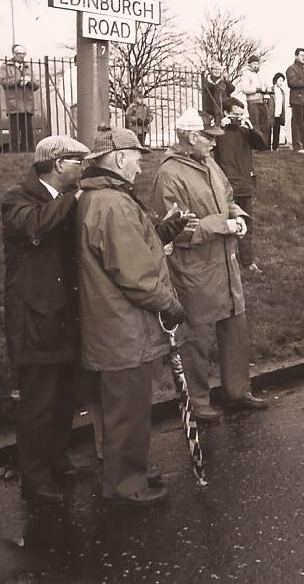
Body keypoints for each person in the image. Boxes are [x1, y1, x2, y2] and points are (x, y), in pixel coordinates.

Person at [76, 126, 186, 507]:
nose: (140, 166)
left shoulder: (97, 198)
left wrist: (159, 232)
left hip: (110, 327)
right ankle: (126, 483)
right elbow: (135, 274)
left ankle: (124, 471)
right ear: (120, 158)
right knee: (128, 411)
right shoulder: (113, 203)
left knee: (114, 410)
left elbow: (126, 251)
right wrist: (169, 304)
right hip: (123, 330)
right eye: (136, 158)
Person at [152, 108, 269, 423]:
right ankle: (198, 402)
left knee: (235, 331)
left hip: (226, 266)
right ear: (191, 138)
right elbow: (179, 231)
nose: (215, 144)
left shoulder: (210, 164)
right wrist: (224, 225)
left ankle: (237, 391)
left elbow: (229, 197)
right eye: (210, 138)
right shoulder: (170, 174)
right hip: (195, 270)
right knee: (196, 341)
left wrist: (238, 216)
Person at [2, 135, 90, 503]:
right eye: (77, 162)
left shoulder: (64, 201)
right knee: (38, 402)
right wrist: (74, 199)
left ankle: (56, 458)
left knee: (65, 396)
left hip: (63, 315)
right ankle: (34, 479)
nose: (82, 169)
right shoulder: (17, 199)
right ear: (57, 165)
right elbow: (35, 226)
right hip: (34, 318)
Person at [213, 100, 267, 273]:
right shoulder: (219, 132)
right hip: (225, 185)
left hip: (244, 183)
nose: (238, 118)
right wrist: (220, 127)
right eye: (234, 114)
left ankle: (247, 261)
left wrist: (251, 127)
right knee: (223, 225)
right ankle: (223, 262)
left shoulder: (245, 131)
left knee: (246, 224)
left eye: (240, 114)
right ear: (227, 113)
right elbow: (208, 147)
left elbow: (262, 145)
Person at [0, 44, 41, 153]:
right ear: (14, 54)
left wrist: (29, 82)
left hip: (27, 105)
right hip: (14, 105)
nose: (22, 56)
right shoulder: (5, 67)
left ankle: (28, 153)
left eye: (24, 54)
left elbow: (36, 85)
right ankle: (15, 154)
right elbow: (4, 82)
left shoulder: (28, 67)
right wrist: (19, 81)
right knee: (14, 134)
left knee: (28, 134)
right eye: (19, 54)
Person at [236, 55, 271, 145]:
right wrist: (257, 89)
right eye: (254, 64)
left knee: (265, 123)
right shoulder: (246, 74)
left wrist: (267, 89)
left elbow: (266, 85)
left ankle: (264, 144)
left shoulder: (260, 74)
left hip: (262, 101)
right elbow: (244, 89)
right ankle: (256, 145)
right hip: (253, 102)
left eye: (257, 64)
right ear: (249, 64)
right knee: (255, 124)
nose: (256, 65)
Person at [201, 60, 235, 125]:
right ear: (211, 70)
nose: (217, 71)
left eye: (218, 69)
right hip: (211, 107)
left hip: (222, 107)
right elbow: (207, 90)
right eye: (214, 69)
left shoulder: (223, 80)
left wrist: (227, 81)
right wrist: (215, 84)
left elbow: (232, 89)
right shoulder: (207, 80)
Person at [268, 72, 288, 151]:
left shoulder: (282, 92)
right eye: (280, 80)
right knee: (269, 130)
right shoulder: (270, 90)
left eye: (282, 81)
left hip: (278, 113)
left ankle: (275, 147)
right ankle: (268, 147)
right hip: (271, 113)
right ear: (275, 80)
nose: (281, 82)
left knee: (277, 131)